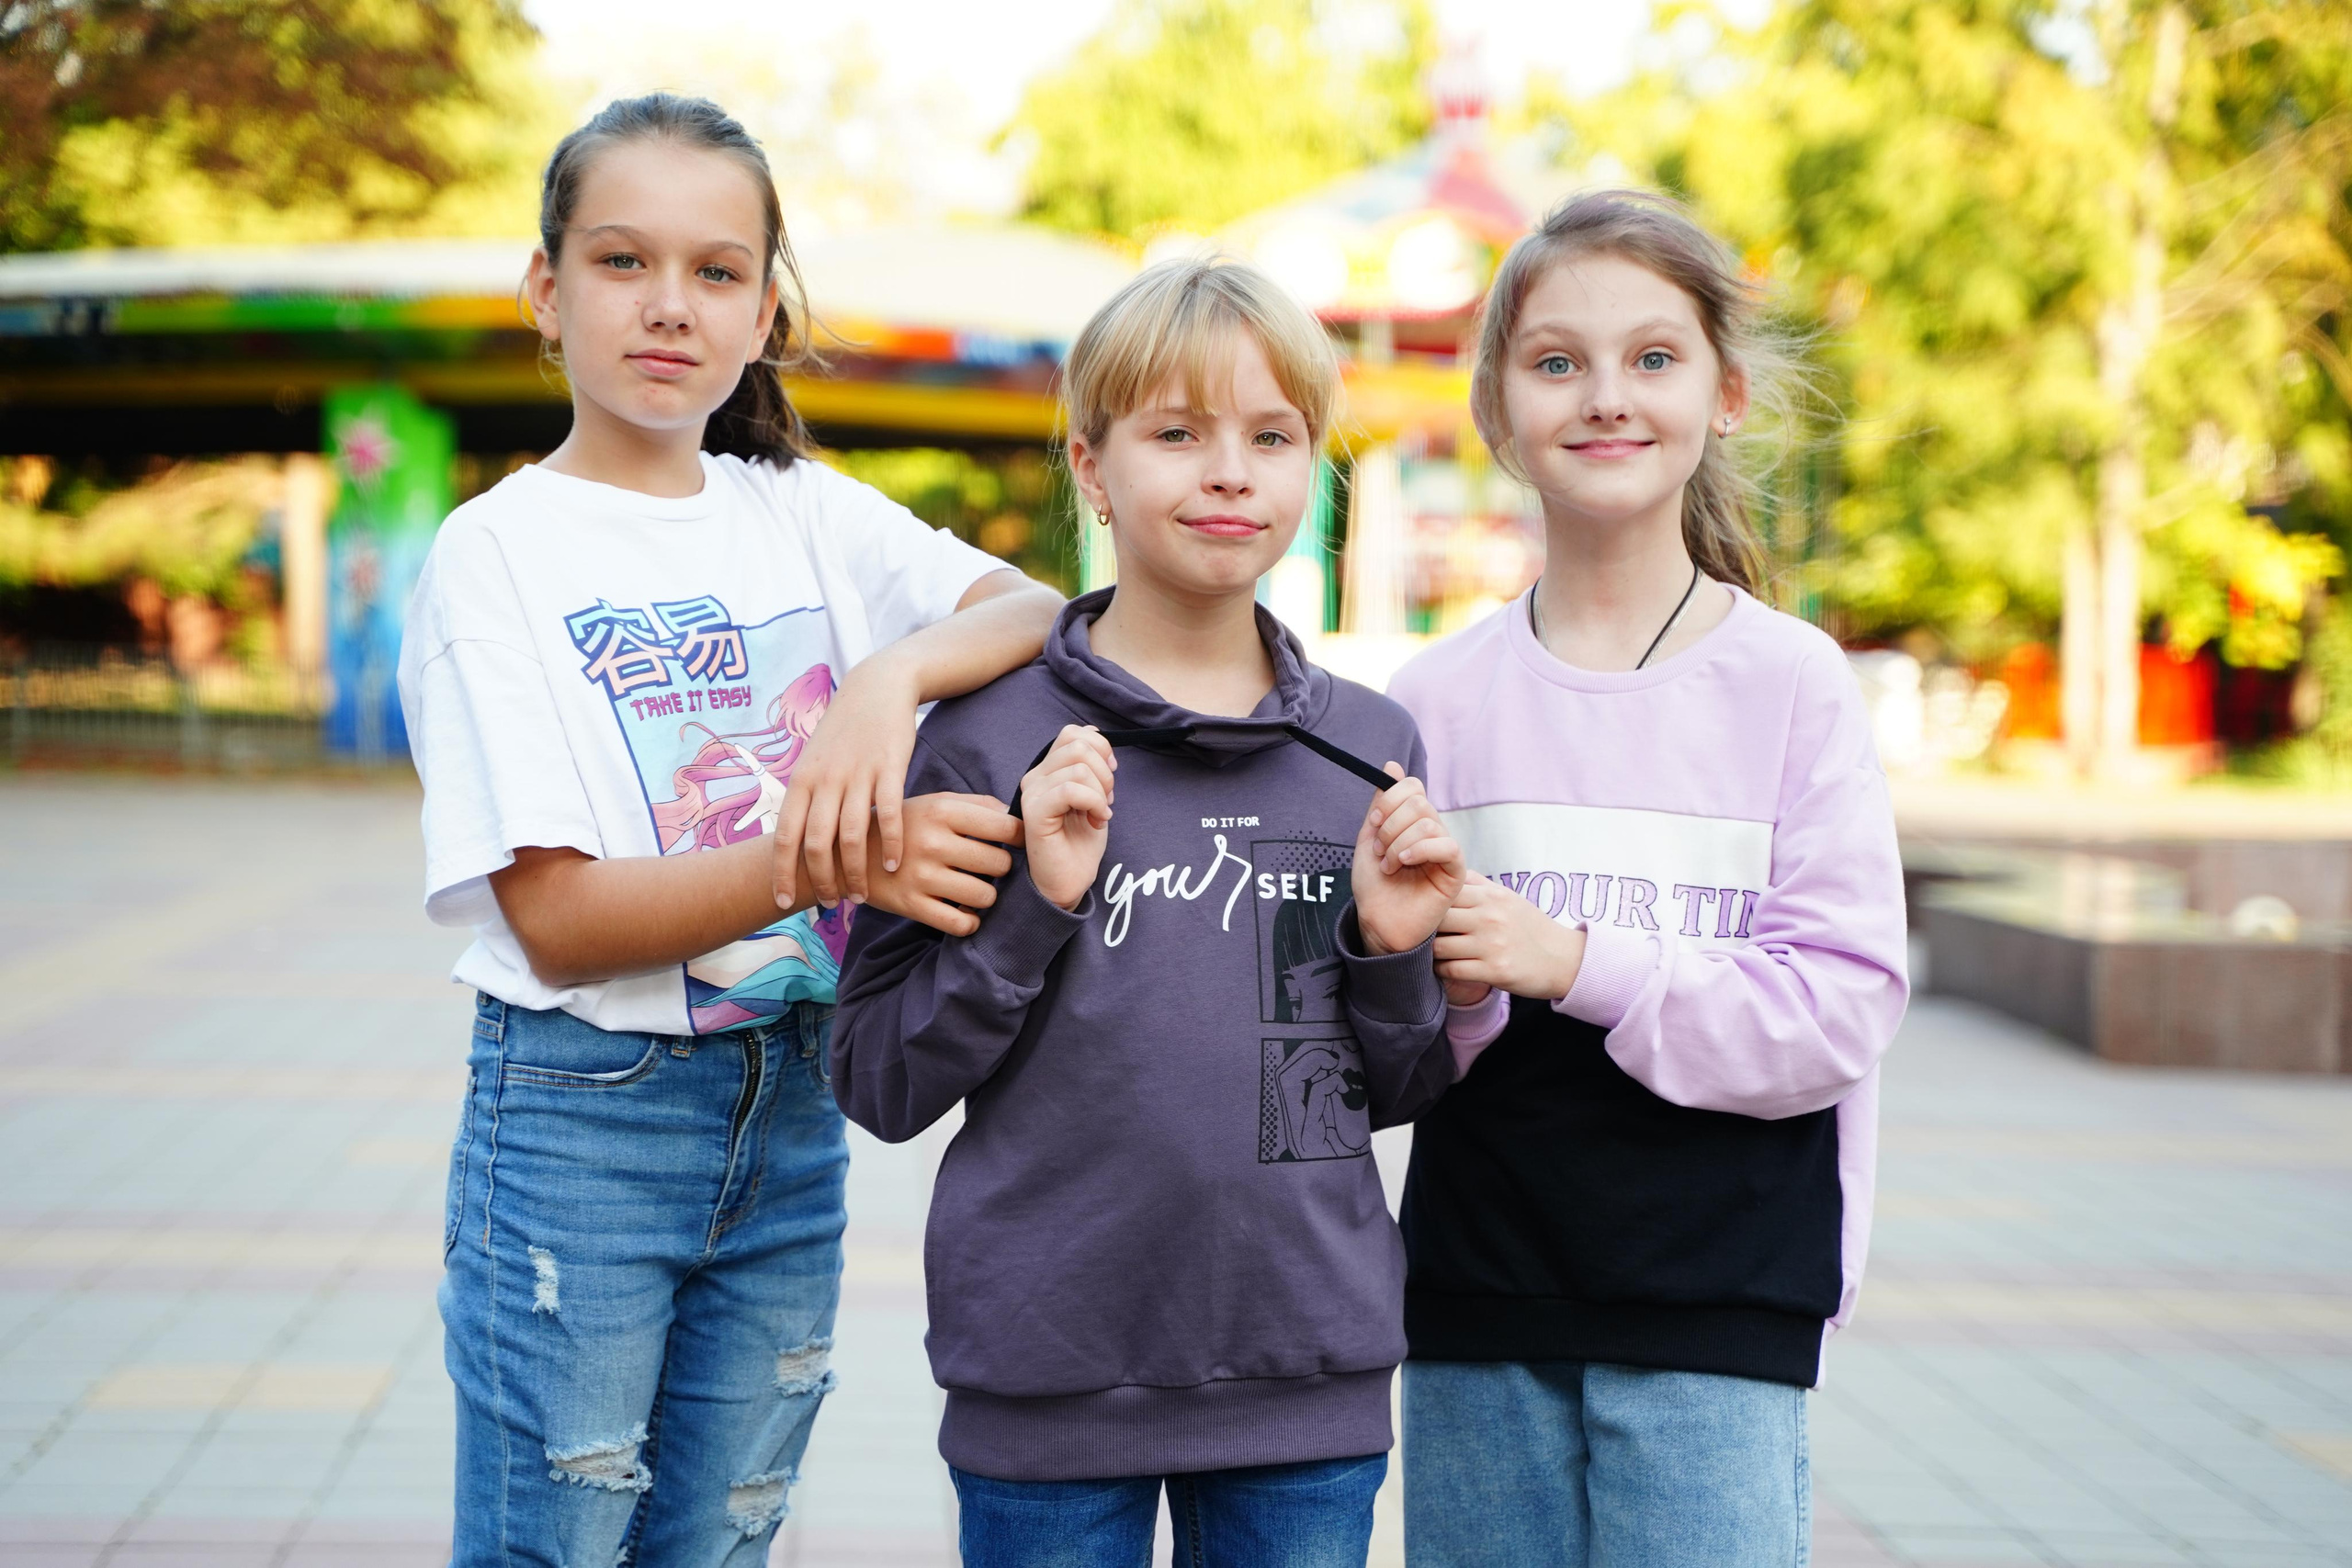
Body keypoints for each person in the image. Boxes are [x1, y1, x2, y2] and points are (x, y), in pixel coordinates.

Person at [396, 93, 1062, 1566]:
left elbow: (1038, 616)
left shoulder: (802, 512)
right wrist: (825, 856)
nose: (670, 308)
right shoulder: (496, 554)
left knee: (721, 1545)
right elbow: (559, 925)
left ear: (765, 309)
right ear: (546, 289)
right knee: (551, 1546)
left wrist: (887, 679)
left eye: (717, 273)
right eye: (625, 262)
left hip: (793, 1107)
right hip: (581, 1118)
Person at [830, 258, 1470, 1568]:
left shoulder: (1367, 743)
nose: (1228, 472)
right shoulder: (985, 736)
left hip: (1306, 1380)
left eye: (1272, 438)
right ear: (1091, 464)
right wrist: (1032, 912)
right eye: (1177, 433)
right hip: (1047, 1380)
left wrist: (1393, 952)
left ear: (1312, 471)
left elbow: (1393, 1087)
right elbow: (878, 1080)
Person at [1386, 189, 1910, 1567]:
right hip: (1476, 1304)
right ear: (1498, 408)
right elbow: (1387, 1045)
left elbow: (1842, 1009)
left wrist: (1575, 964)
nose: (1605, 396)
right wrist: (1426, 979)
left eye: (1653, 358)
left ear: (1725, 394)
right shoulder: (1430, 701)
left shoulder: (1792, 685)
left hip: (1718, 1315)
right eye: (1556, 361)